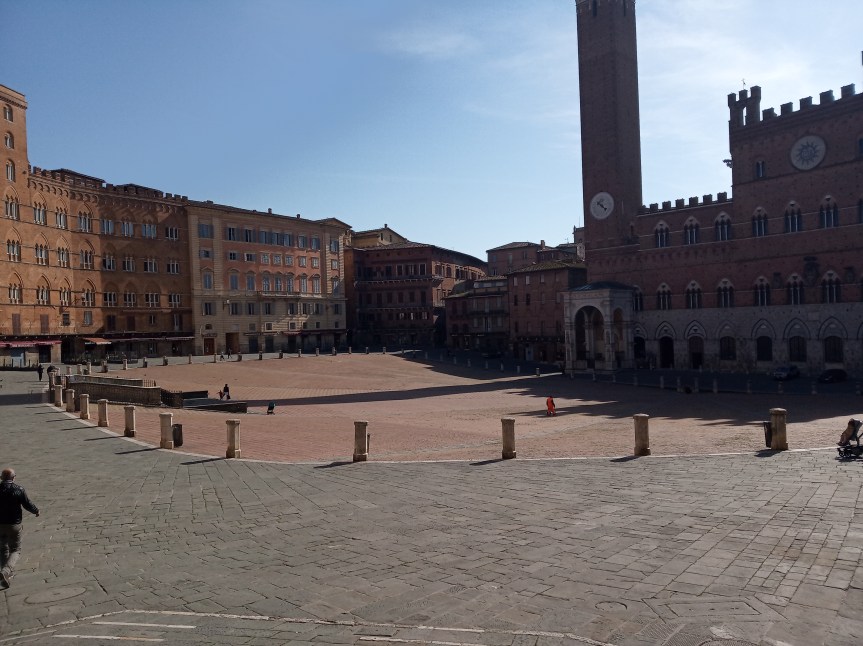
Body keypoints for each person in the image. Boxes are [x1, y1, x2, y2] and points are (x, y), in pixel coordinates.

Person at [0, 468, 39, 589]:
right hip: (14, 525)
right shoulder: (19, 489)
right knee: (15, 550)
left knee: (2, 549)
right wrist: (36, 511)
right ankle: (6, 571)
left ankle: (5, 574)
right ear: (13, 478)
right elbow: (27, 504)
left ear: (1, 478)